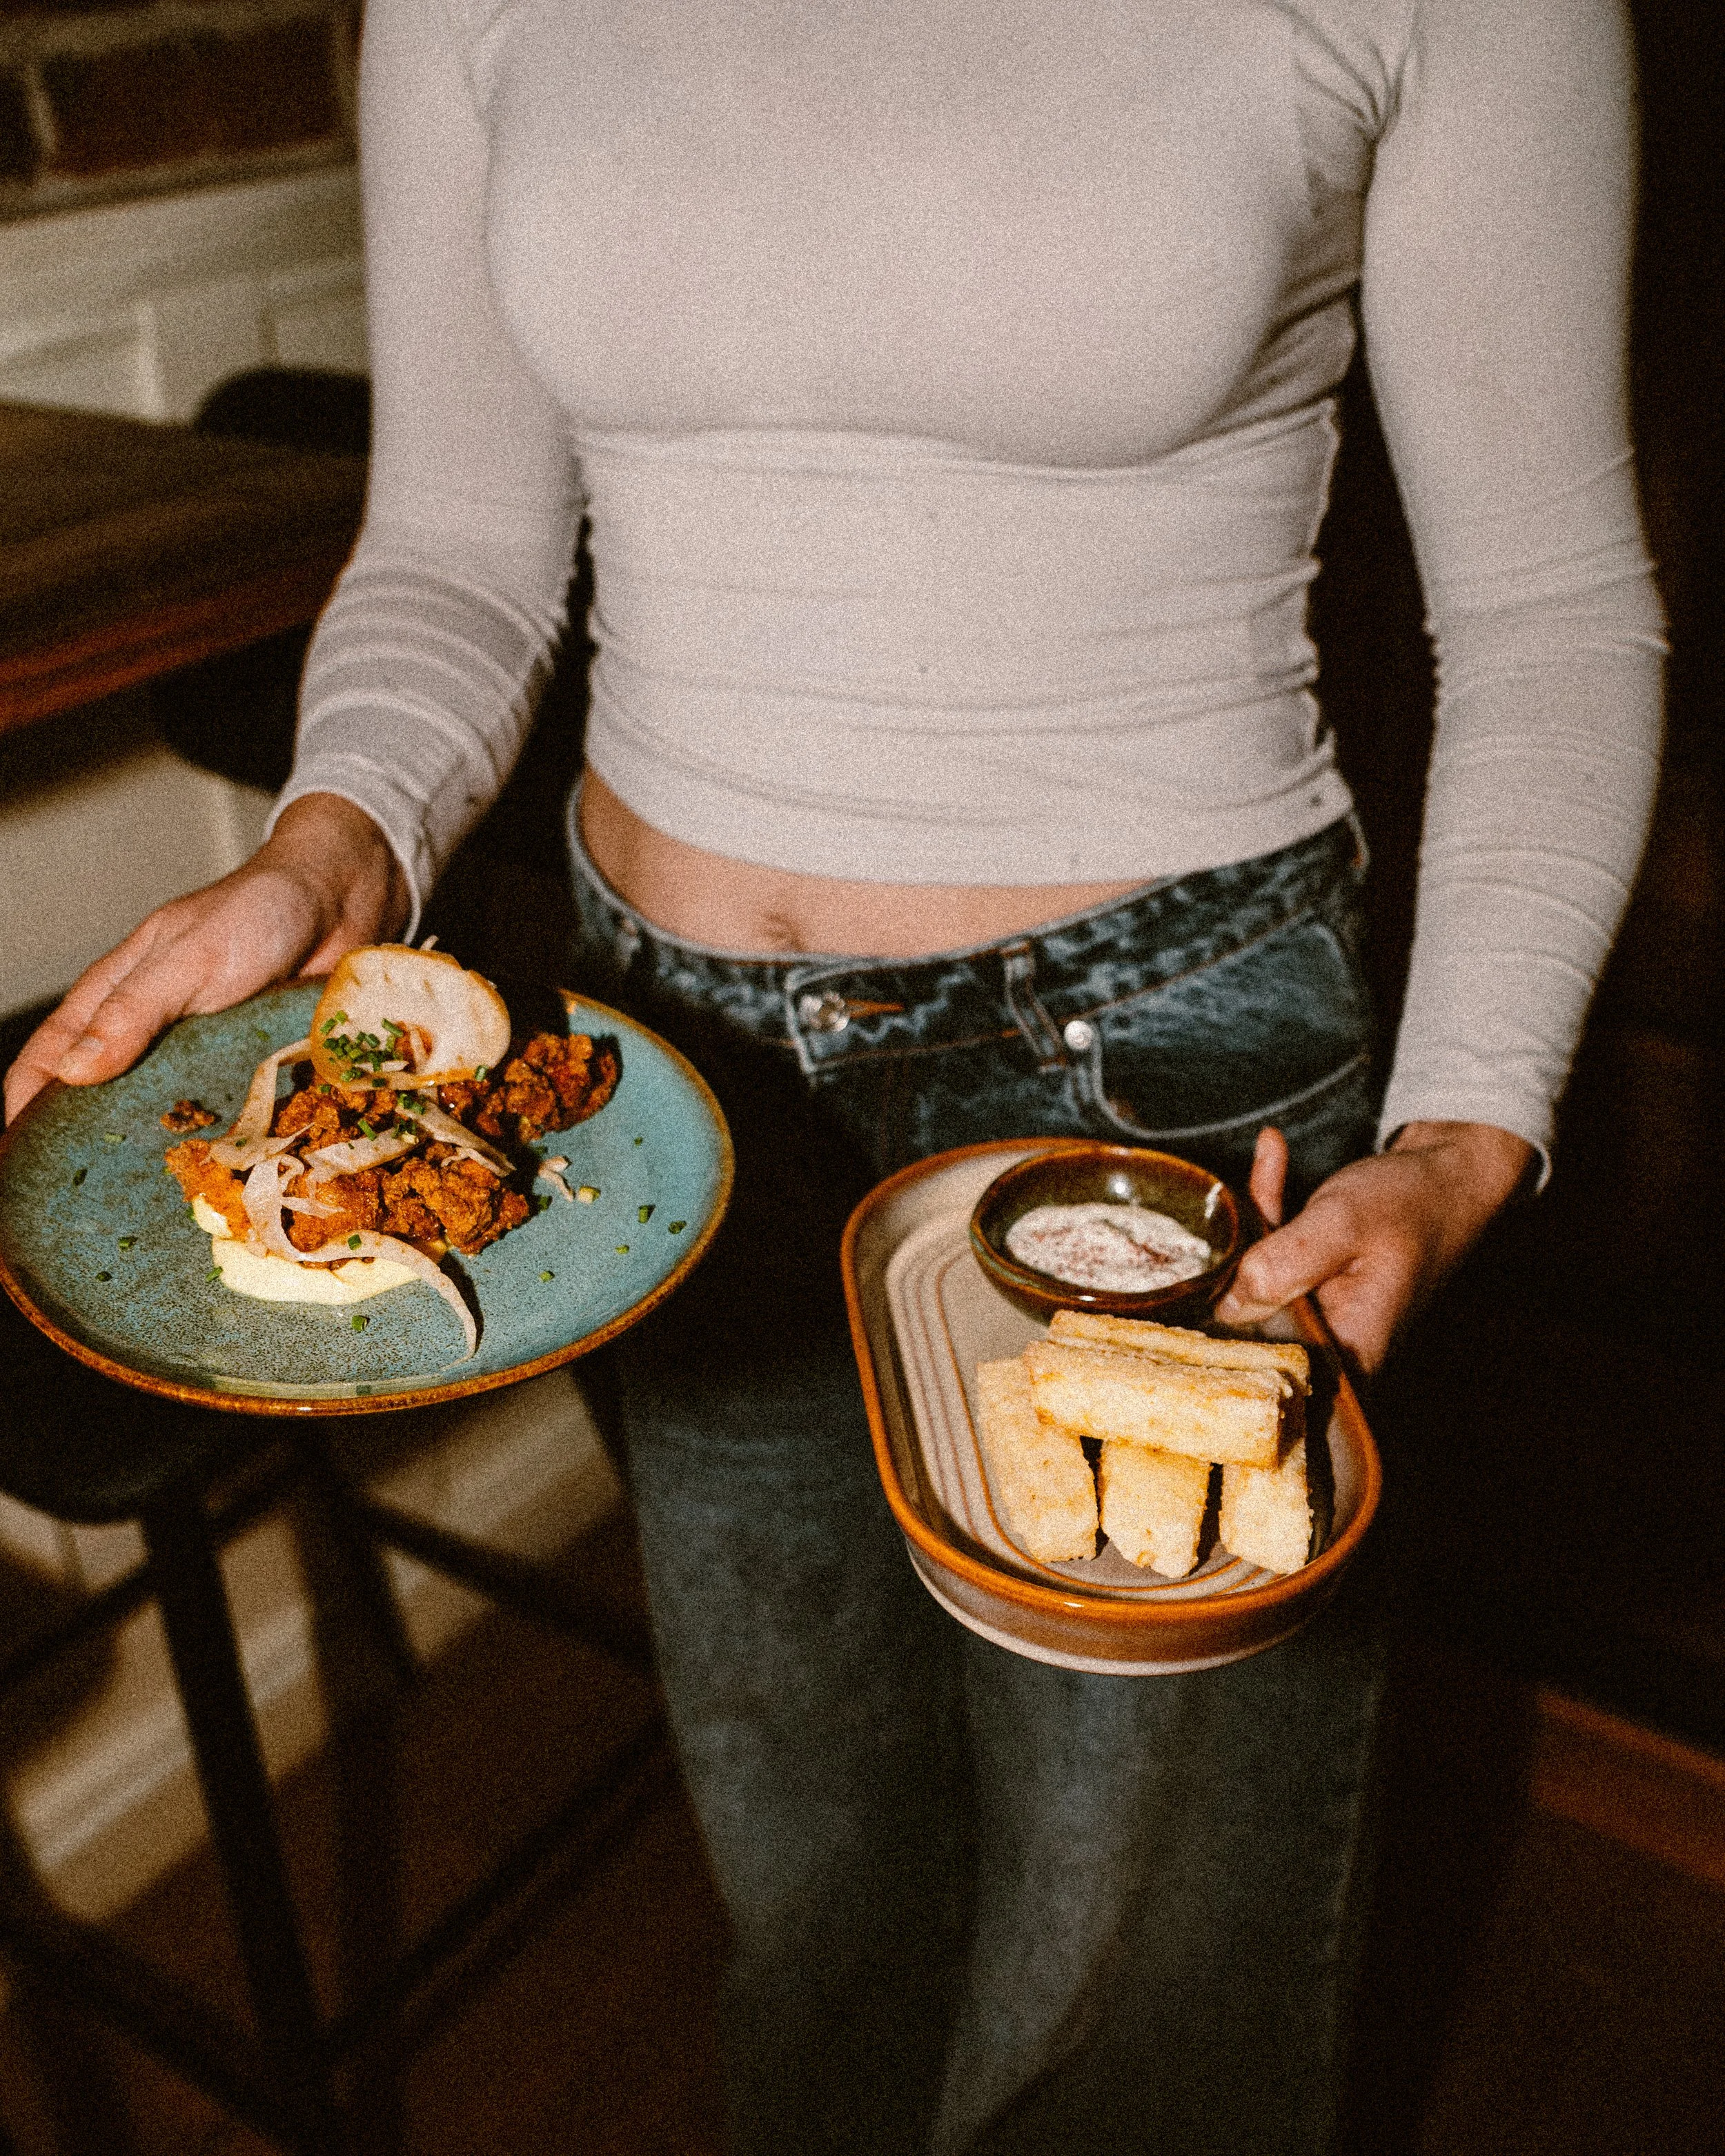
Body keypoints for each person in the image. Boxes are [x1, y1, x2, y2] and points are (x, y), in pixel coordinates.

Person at [6, 1, 1662, 2147]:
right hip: (661, 1102)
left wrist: (1459, 1134)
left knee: (1132, 2012)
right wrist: (338, 834)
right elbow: (457, 549)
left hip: (1149, 1097)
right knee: (820, 1911)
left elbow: (1547, 606)